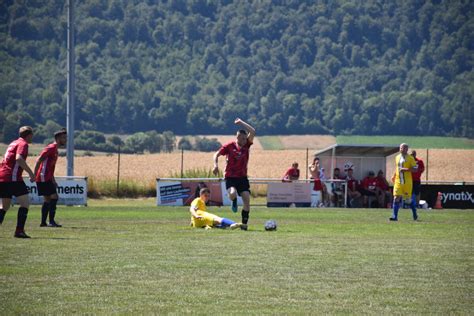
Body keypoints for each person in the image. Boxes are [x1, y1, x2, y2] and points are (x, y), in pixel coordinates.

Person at [213, 118, 255, 230]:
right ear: (237, 138)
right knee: (232, 193)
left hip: (242, 177)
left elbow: (253, 131)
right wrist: (215, 165)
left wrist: (241, 123)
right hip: (230, 177)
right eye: (242, 138)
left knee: (247, 200)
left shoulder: (247, 145)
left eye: (246, 138)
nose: (245, 140)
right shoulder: (229, 146)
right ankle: (234, 200)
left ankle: (244, 224)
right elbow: (216, 154)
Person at [0, 126, 35, 238]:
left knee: (4, 206)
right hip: (12, 178)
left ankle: (19, 231)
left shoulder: (13, 143)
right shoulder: (23, 144)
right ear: (29, 135)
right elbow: (19, 158)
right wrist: (30, 173)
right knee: (25, 203)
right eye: (32, 135)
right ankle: (19, 231)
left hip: (3, 177)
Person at [34, 128, 67, 227]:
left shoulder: (55, 150)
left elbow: (51, 167)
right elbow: (39, 160)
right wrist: (34, 174)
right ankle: (51, 222)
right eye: (63, 138)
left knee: (47, 199)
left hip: (47, 177)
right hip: (43, 177)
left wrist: (53, 180)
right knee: (54, 197)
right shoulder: (50, 148)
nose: (65, 139)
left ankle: (43, 222)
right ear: (57, 138)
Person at [390, 143, 419, 221]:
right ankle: (394, 216)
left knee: (408, 201)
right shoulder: (397, 157)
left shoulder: (411, 158)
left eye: (403, 148)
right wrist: (394, 175)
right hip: (398, 181)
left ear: (407, 149)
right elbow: (397, 168)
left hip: (407, 183)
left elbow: (416, 169)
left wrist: (405, 169)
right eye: (401, 148)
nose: (402, 149)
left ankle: (414, 212)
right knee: (396, 197)